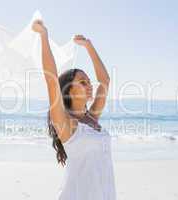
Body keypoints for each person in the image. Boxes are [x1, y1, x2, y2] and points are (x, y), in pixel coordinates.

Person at [32, 19, 116, 200]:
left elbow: (105, 81)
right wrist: (44, 36)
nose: (89, 85)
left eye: (88, 81)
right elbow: (51, 80)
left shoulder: (92, 118)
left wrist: (89, 46)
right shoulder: (66, 123)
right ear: (68, 91)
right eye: (82, 82)